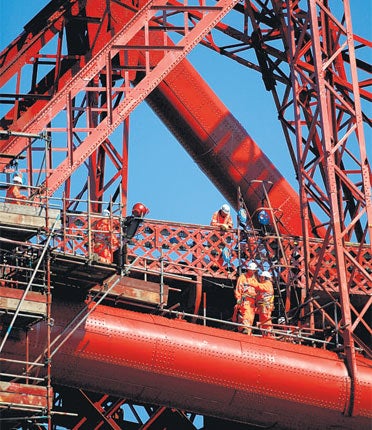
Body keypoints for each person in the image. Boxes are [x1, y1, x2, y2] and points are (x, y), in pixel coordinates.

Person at [234, 261, 259, 334]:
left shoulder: (255, 279)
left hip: (253, 301)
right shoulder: (242, 277)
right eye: (252, 270)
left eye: (254, 270)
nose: (253, 272)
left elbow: (257, 290)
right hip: (245, 299)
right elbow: (238, 289)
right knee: (246, 314)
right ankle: (245, 329)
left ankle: (247, 332)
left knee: (250, 317)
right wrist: (239, 299)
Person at [256, 270, 275, 336]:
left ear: (264, 277)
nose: (260, 278)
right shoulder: (265, 285)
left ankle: (269, 333)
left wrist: (251, 282)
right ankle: (265, 333)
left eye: (261, 277)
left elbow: (259, 286)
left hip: (266, 306)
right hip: (263, 306)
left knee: (266, 319)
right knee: (263, 320)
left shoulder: (267, 284)